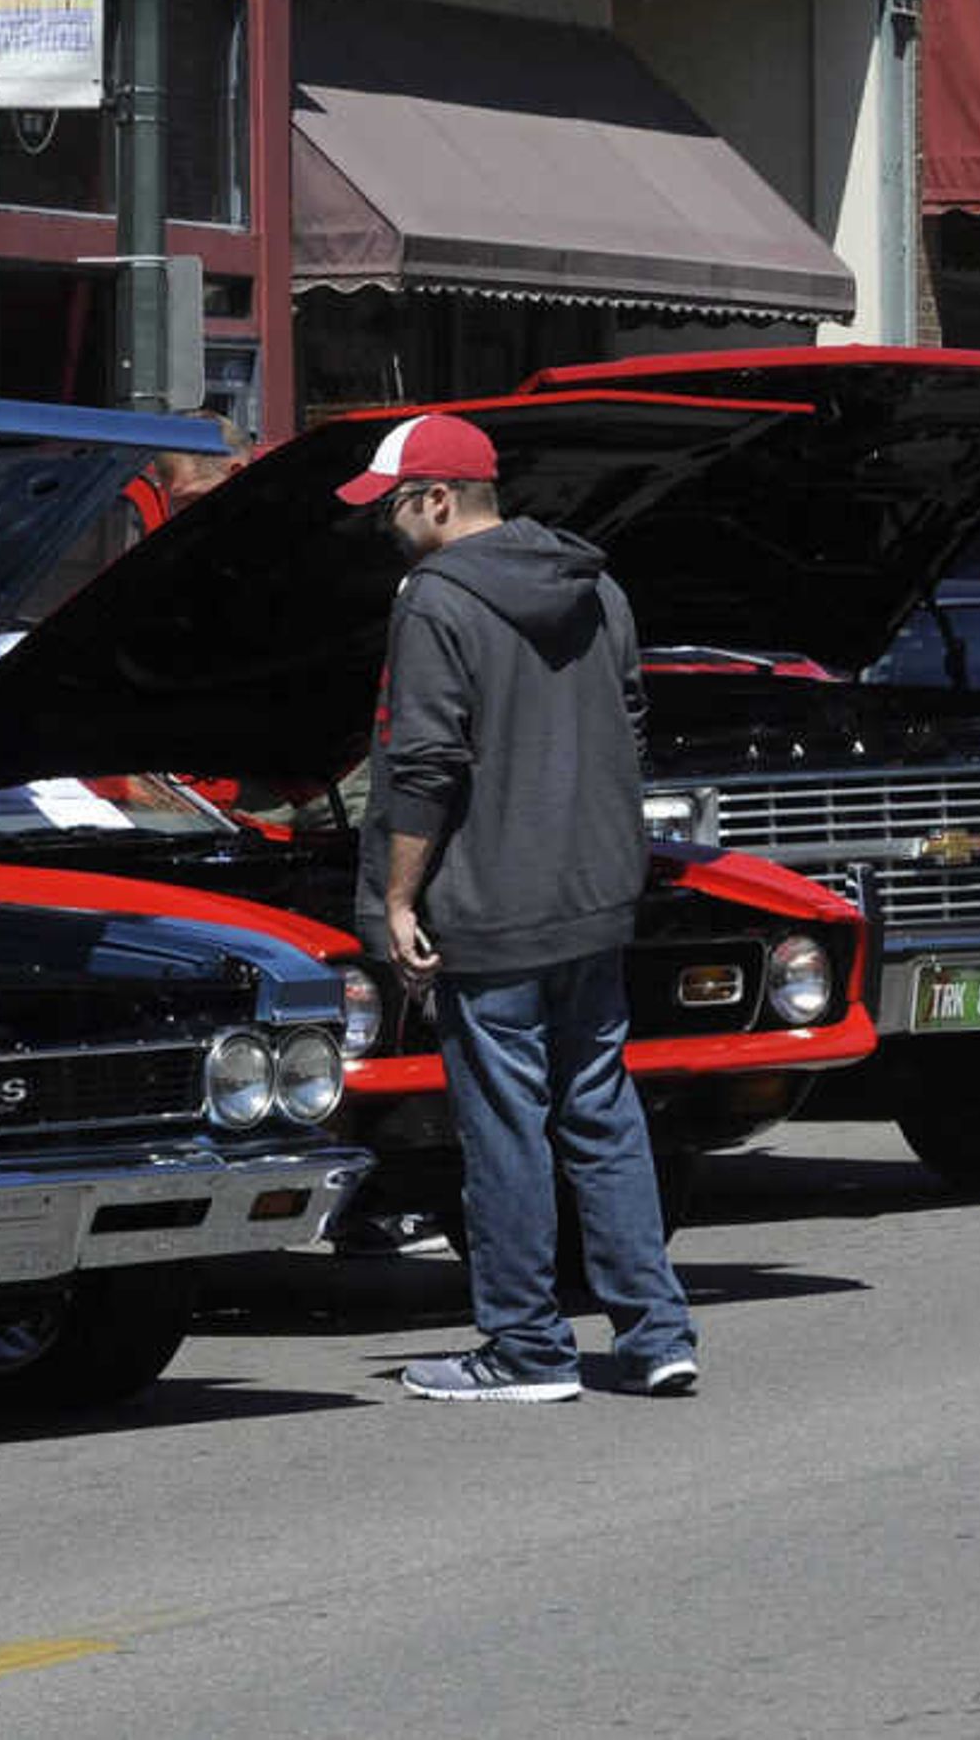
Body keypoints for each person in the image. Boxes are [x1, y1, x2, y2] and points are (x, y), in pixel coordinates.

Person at [345, 412, 698, 1403]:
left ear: (440, 500)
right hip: (591, 891)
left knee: (504, 1124)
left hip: (491, 902)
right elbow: (630, 721)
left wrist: (401, 897)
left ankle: (527, 1347)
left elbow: (425, 763)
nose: (386, 529)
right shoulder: (598, 584)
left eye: (392, 507)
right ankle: (658, 1331)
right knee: (602, 1109)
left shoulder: (433, 599)